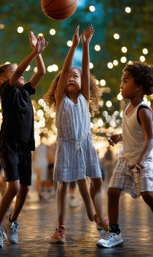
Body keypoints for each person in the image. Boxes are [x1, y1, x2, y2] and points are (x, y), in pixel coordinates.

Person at [97, 62, 153, 249]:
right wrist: (119, 137)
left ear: (139, 86)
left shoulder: (144, 110)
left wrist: (140, 161)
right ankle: (115, 233)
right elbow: (130, 131)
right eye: (122, 80)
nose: (121, 84)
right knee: (112, 192)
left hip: (143, 158)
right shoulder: (127, 108)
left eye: (126, 81)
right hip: (126, 156)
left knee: (148, 195)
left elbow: (149, 138)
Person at [44, 25, 107, 244]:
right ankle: (60, 228)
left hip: (86, 144)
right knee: (62, 187)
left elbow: (85, 69)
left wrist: (86, 45)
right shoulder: (61, 99)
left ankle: (98, 217)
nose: (71, 77)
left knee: (97, 182)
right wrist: (73, 46)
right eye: (67, 76)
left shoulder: (84, 97)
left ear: (84, 83)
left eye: (76, 76)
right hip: (67, 145)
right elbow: (68, 67)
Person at [0, 31, 47, 248]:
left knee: (25, 190)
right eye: (14, 71)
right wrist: (32, 52)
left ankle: (12, 222)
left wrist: (38, 53)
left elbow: (42, 71)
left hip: (25, 146)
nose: (20, 73)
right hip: (9, 144)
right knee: (13, 187)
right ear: (3, 80)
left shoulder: (24, 91)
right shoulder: (7, 90)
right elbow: (21, 70)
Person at [33, 132, 50, 200]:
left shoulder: (37, 147)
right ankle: (42, 192)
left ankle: (39, 192)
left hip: (37, 164)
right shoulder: (46, 147)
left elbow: (33, 156)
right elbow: (48, 155)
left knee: (38, 178)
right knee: (43, 179)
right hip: (43, 164)